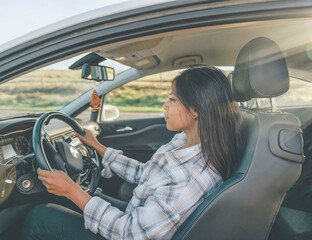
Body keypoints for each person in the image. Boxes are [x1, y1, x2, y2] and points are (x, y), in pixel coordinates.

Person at [20, 65, 240, 240]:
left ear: (195, 111)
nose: (165, 105)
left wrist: (71, 190)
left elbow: (130, 233)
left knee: (41, 217)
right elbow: (146, 173)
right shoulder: (186, 141)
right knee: (73, 197)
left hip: (132, 232)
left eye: (172, 99)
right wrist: (99, 148)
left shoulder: (190, 179)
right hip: (138, 217)